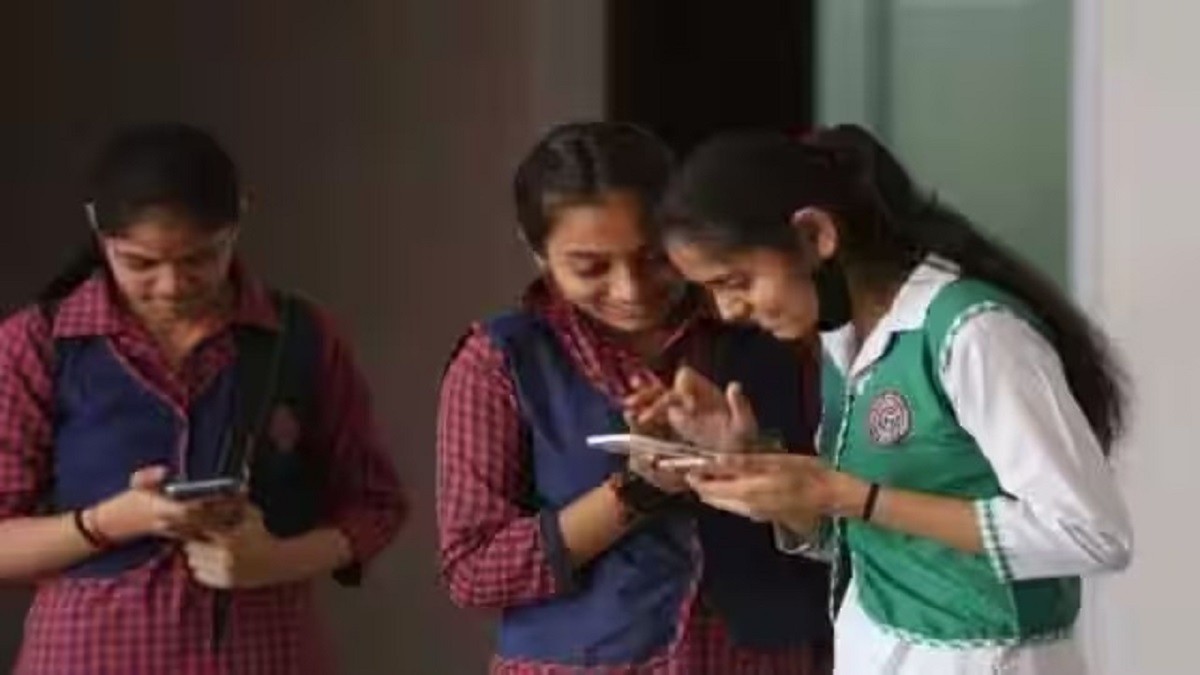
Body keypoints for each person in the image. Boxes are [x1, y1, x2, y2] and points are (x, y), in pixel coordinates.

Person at [634, 125, 1133, 674]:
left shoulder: (974, 333)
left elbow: (1090, 535)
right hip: (877, 646)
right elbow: (865, 535)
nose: (729, 310)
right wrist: (749, 460)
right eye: (712, 291)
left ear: (814, 234)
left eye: (736, 281)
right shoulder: (845, 339)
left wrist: (852, 496)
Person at [0, 123, 407, 674]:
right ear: (99, 231)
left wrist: (276, 561)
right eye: (139, 263)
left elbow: (377, 505)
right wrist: (106, 522)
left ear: (238, 221)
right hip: (88, 655)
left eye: (200, 259)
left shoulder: (301, 337)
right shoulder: (37, 344)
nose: (171, 285)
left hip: (265, 656)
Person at [436, 121, 831, 674]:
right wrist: (637, 490)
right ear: (538, 253)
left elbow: (844, 514)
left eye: (653, 258)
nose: (631, 289)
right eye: (590, 268)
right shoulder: (500, 361)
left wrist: (747, 457)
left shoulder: (768, 327)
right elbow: (473, 572)